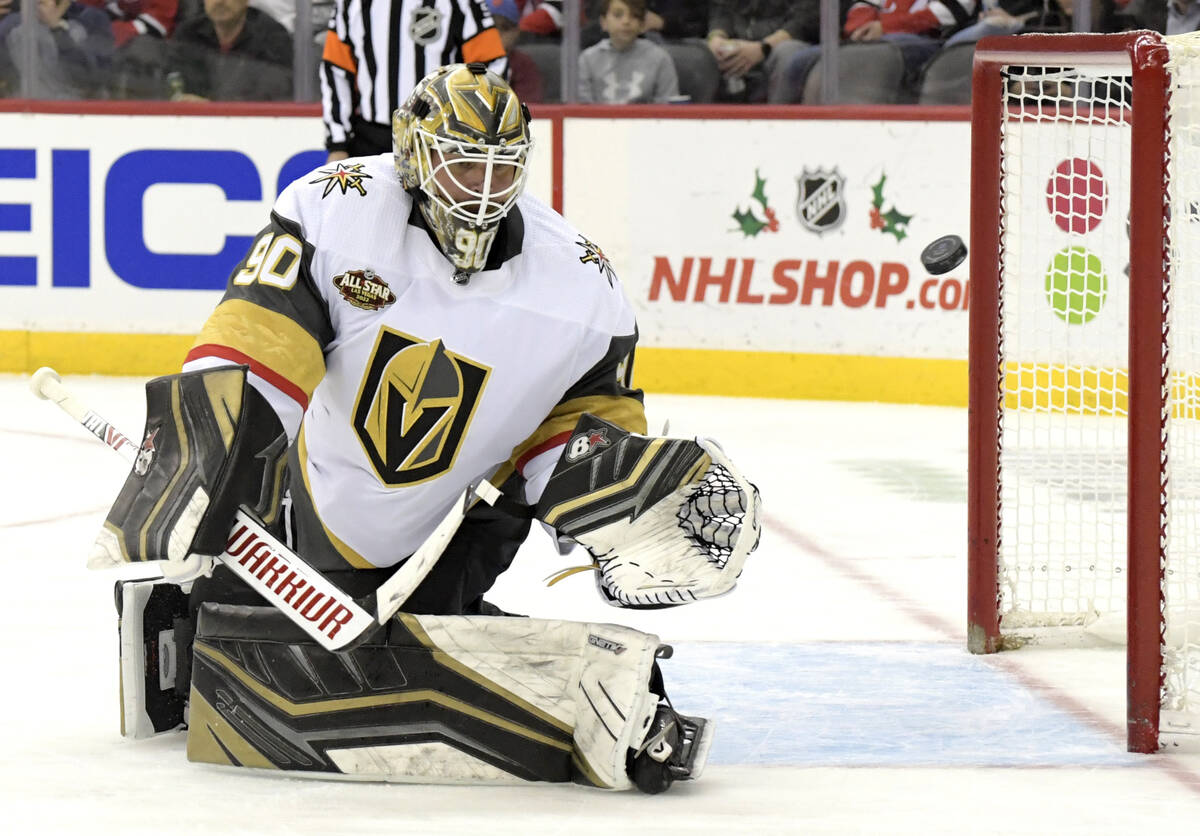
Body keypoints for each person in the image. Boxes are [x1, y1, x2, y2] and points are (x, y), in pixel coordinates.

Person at [92, 62, 760, 793]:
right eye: (462, 165)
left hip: (466, 511)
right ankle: (201, 609)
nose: (481, 192)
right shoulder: (334, 208)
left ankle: (582, 689)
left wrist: (629, 512)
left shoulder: (581, 287)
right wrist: (197, 459)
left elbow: (578, 442)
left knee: (399, 639)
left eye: (501, 171)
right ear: (413, 154)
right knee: (253, 640)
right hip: (329, 497)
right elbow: (258, 345)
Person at [321, 0, 508, 161]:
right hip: (371, 140)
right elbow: (336, 70)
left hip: (441, 140)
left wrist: (471, 133)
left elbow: (490, 67)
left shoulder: (459, 2)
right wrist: (338, 145)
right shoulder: (351, 3)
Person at [166, 0, 292, 101]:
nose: (220, 1)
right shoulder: (188, 34)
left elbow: (276, 96)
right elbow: (172, 81)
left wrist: (212, 108)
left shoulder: (272, 37)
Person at [705, 0, 819, 103]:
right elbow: (720, 9)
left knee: (787, 52)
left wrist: (763, 48)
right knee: (699, 54)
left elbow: (805, 19)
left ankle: (777, 121)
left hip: (783, 44)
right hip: (737, 41)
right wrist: (717, 37)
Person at [0, 0, 114, 98]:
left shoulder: (92, 19)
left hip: (77, 114)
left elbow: (93, 80)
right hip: (19, 113)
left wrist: (56, 28)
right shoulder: (12, 22)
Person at [579, 0, 679, 103]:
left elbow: (668, 109)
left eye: (634, 16)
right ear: (603, 22)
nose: (626, 21)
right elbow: (579, 110)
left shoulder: (660, 58)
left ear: (642, 25)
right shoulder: (587, 60)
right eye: (618, 15)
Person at [490, 0, 544, 103]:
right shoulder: (463, 61)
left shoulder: (524, 65)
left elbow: (528, 109)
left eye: (504, 28)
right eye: (490, 27)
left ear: (516, 32)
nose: (497, 34)